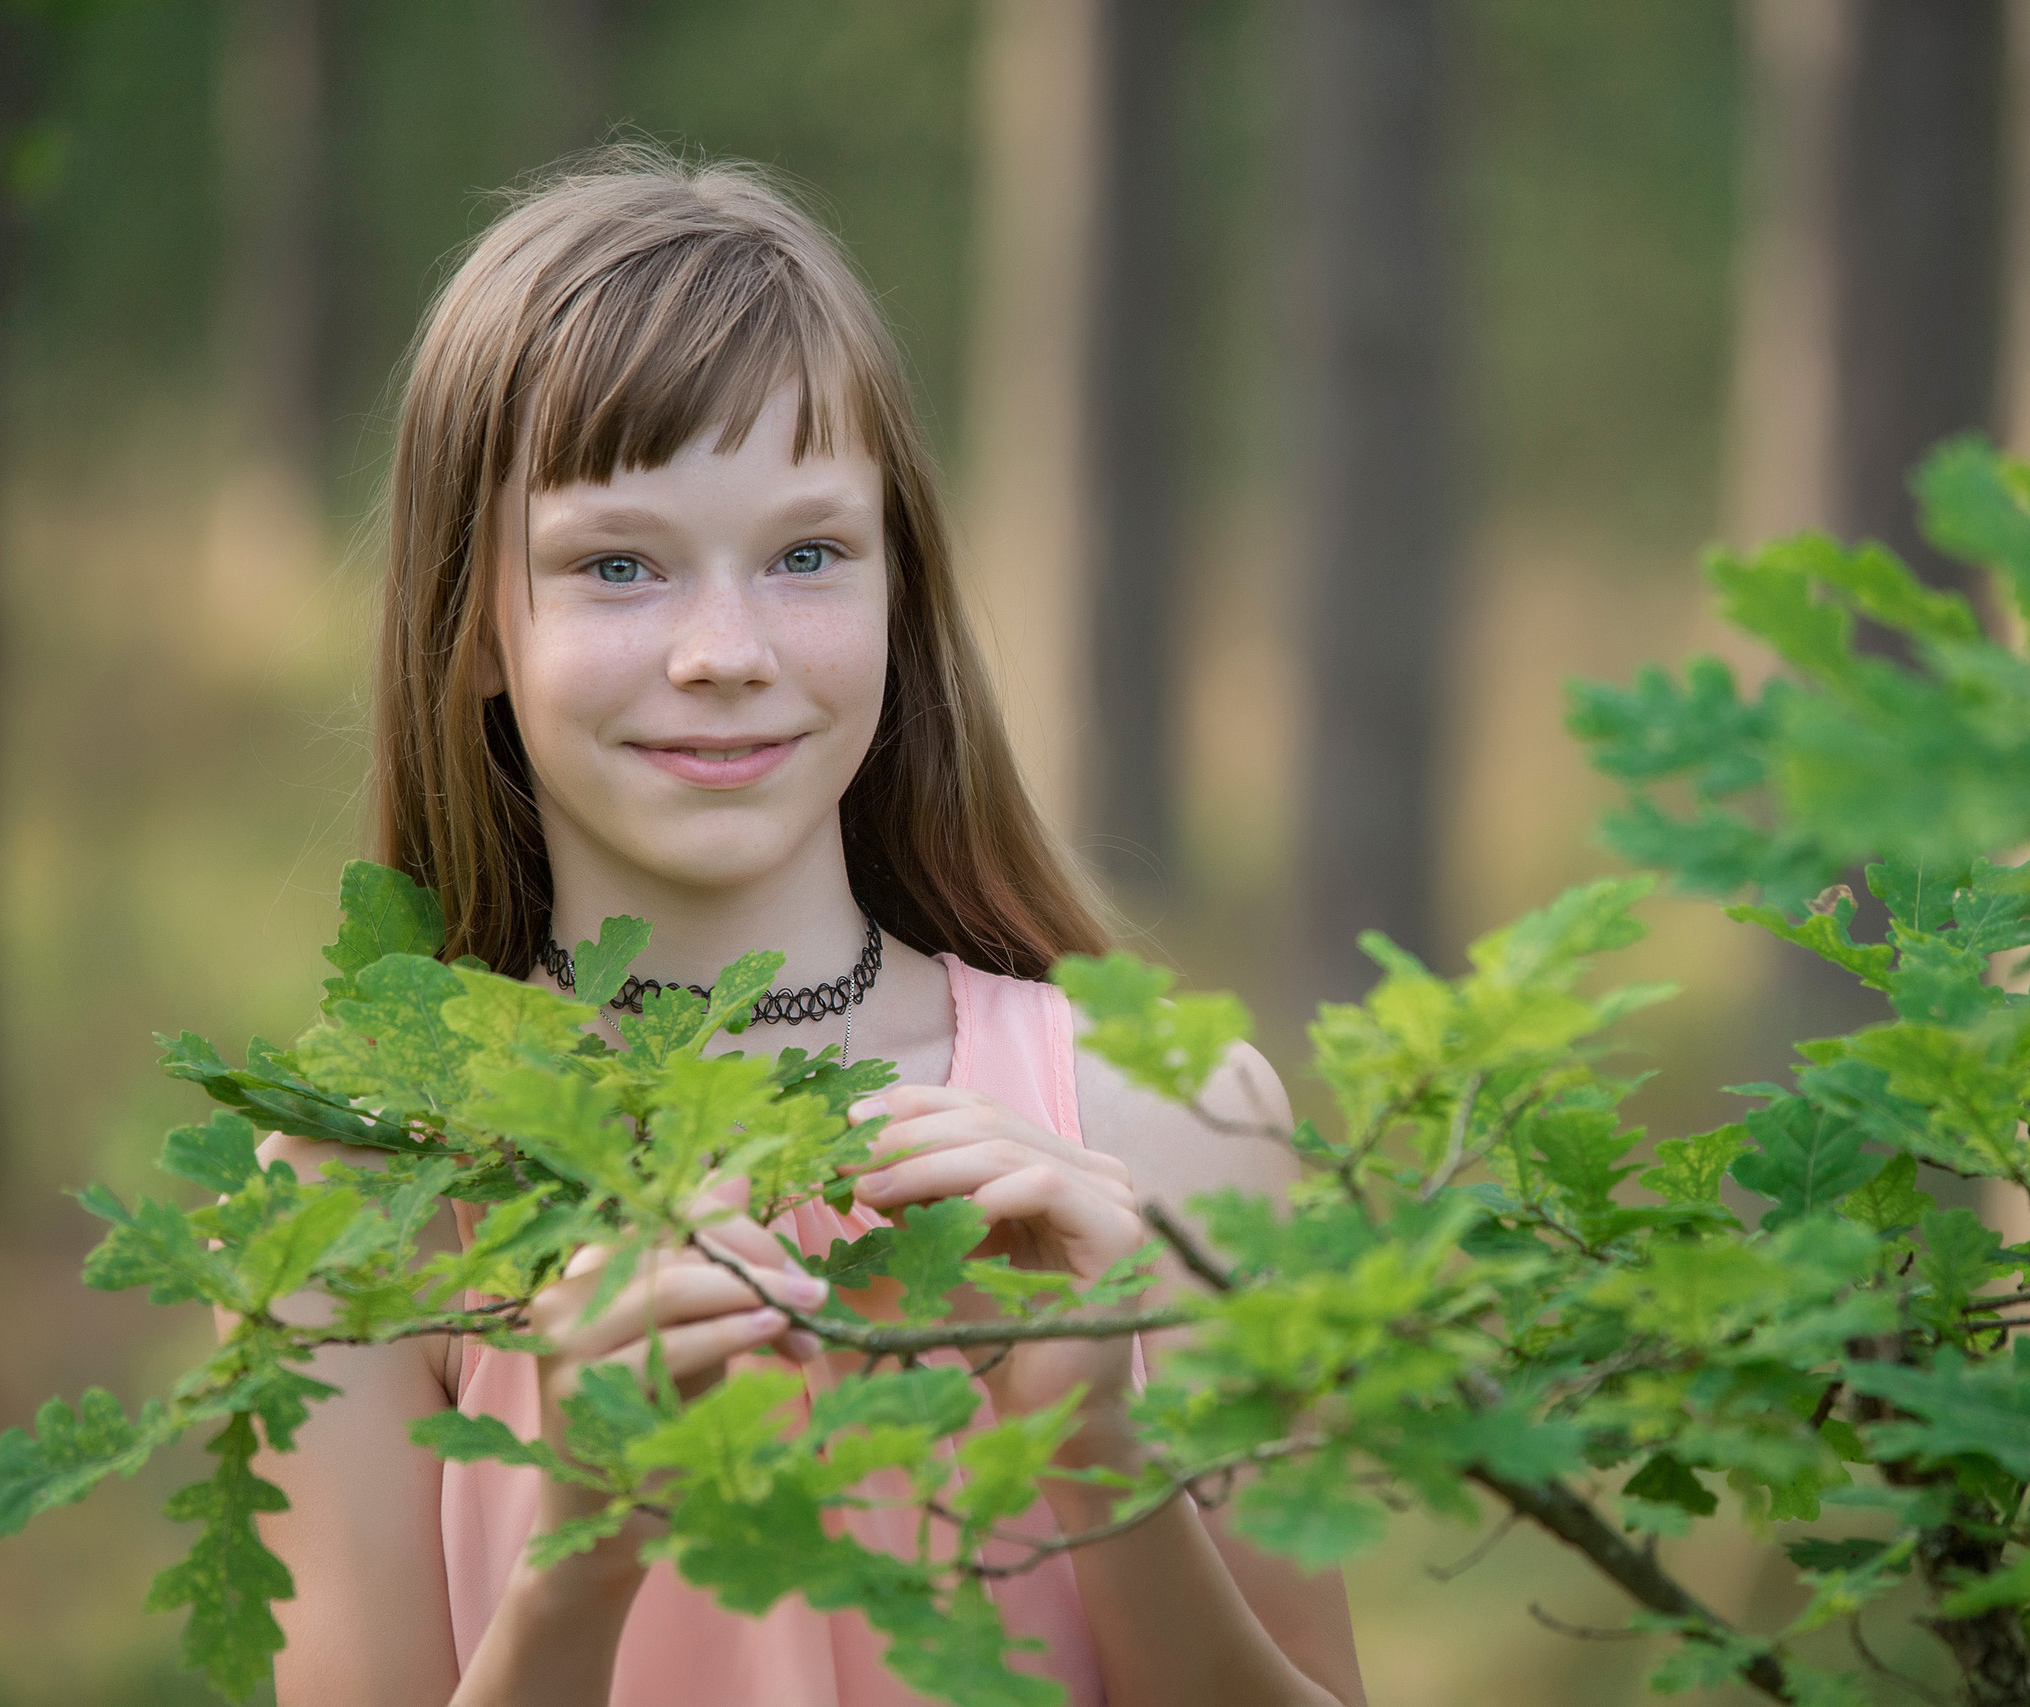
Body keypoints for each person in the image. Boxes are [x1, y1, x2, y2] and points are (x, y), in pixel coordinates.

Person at [249, 147, 1367, 1707]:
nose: (726, 651)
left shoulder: (1168, 1123)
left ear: (903, 593)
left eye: (807, 555)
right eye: (617, 565)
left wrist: (1099, 1454)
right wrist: (583, 1547)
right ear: (473, 629)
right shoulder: (365, 1191)